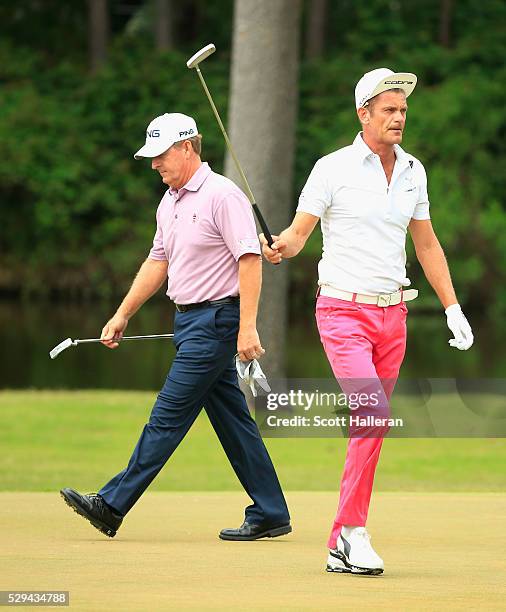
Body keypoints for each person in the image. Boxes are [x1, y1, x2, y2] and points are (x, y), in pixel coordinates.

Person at [260, 69, 473, 574]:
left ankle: (342, 539)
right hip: (342, 312)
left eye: (402, 110)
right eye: (389, 110)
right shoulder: (331, 168)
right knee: (373, 414)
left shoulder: (414, 171)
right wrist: (281, 248)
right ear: (364, 114)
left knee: (371, 425)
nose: (399, 118)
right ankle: (351, 533)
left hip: (392, 316)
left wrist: (452, 306)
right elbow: (297, 234)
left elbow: (426, 243)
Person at [61, 112, 291, 541]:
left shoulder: (222, 195)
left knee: (166, 417)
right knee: (234, 423)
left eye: (160, 155)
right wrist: (123, 312)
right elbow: (157, 262)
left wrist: (247, 328)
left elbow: (249, 260)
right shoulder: (170, 200)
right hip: (188, 321)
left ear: (187, 147)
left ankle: (111, 505)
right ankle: (272, 511)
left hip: (216, 321)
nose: (154, 165)